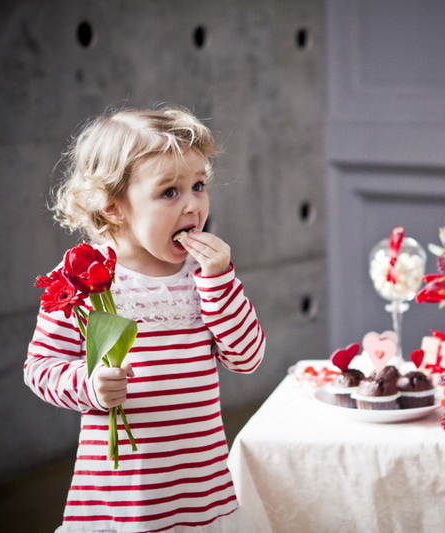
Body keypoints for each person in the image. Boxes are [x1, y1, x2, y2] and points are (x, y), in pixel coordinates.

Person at [24, 106, 266, 533]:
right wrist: (89, 384)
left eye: (198, 186)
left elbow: (247, 358)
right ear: (114, 207)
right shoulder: (81, 276)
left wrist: (219, 281)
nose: (193, 205)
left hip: (201, 491)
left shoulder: (204, 275)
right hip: (124, 496)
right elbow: (40, 367)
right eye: (169, 192)